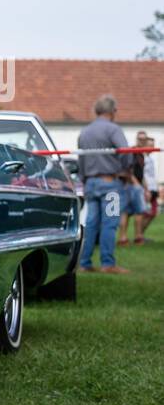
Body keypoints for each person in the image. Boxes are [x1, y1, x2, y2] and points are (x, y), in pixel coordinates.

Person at [77, 95, 132, 273]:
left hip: (91, 183)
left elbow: (81, 160)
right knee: (110, 223)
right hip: (110, 184)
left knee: (91, 224)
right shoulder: (113, 129)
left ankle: (84, 263)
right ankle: (108, 263)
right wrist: (124, 169)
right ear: (112, 111)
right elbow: (125, 152)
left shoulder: (84, 132)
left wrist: (85, 180)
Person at [117, 130, 150, 246]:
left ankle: (127, 237)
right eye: (140, 139)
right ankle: (134, 237)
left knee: (129, 212)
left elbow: (141, 173)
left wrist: (146, 188)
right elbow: (128, 169)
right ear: (137, 139)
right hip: (131, 186)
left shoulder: (141, 154)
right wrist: (137, 185)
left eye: (144, 139)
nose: (142, 141)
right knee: (137, 212)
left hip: (134, 185)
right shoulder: (133, 151)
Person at [142, 135, 158, 239]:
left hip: (153, 188)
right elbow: (143, 175)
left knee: (153, 212)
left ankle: (141, 234)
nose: (152, 147)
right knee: (147, 213)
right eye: (150, 145)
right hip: (147, 189)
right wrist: (146, 189)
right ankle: (139, 235)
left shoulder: (151, 158)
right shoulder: (143, 159)